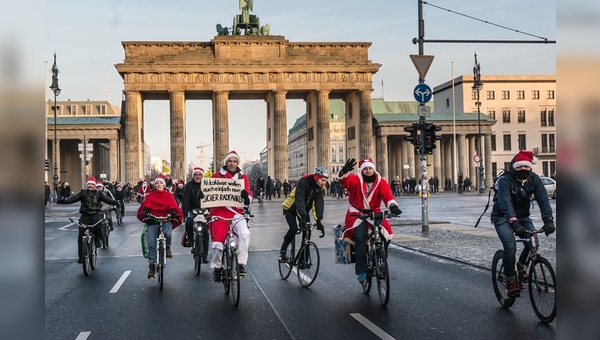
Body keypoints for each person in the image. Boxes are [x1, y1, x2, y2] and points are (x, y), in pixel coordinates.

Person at [491, 150, 555, 297]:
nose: (523, 170)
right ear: (514, 167)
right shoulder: (504, 181)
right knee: (510, 246)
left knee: (534, 244)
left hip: (523, 217)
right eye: (519, 168)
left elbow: (543, 199)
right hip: (501, 216)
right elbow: (505, 203)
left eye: (526, 168)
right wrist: (513, 223)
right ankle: (511, 280)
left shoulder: (535, 179)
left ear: (530, 168)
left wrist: (548, 220)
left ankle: (521, 266)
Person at [338, 158, 402, 283]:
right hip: (357, 213)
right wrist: (344, 171)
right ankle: (361, 270)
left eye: (370, 168)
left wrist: (393, 206)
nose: (368, 171)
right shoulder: (355, 179)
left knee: (386, 235)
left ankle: (379, 260)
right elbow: (344, 180)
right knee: (360, 237)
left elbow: (387, 194)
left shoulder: (380, 181)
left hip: (375, 213)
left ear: (374, 169)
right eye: (365, 169)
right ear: (362, 170)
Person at [209, 150, 252, 282]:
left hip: (236, 213)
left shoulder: (242, 177)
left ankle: (240, 264)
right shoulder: (216, 176)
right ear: (226, 162)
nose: (232, 164)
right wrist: (203, 196)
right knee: (217, 243)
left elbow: (249, 195)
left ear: (237, 163)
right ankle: (217, 267)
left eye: (234, 161)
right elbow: (208, 192)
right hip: (220, 213)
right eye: (230, 161)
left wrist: (246, 197)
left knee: (245, 235)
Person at [57, 176, 118, 264]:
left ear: (94, 185)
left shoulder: (99, 193)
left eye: (92, 184)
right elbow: (73, 198)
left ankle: (97, 239)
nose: (90, 185)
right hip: (85, 215)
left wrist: (115, 202)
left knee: (98, 224)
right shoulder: (83, 193)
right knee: (81, 236)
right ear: (87, 185)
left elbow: (107, 199)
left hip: (96, 214)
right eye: (88, 184)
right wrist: (64, 201)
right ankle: (81, 257)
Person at [137, 174, 183, 279]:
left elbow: (172, 205)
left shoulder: (168, 195)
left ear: (164, 185)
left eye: (160, 183)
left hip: (166, 219)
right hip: (153, 220)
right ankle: (152, 265)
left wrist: (173, 211)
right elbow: (147, 205)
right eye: (157, 183)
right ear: (154, 185)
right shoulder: (151, 195)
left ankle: (167, 247)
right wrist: (145, 211)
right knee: (152, 244)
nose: (158, 185)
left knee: (167, 233)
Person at [278, 168, 327, 262]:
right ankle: (283, 251)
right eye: (323, 180)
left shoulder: (318, 189)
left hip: (303, 210)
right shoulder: (303, 182)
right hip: (291, 208)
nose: (324, 183)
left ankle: (302, 259)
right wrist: (303, 218)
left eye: (325, 181)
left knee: (307, 233)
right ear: (316, 178)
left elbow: (318, 203)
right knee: (293, 229)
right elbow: (299, 200)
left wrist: (319, 220)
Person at [181, 167, 209, 264]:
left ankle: (205, 255)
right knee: (188, 222)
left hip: (204, 210)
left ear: (202, 176)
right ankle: (190, 239)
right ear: (193, 176)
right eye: (196, 175)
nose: (197, 176)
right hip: (192, 209)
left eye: (199, 175)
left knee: (205, 232)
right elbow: (185, 199)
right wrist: (185, 212)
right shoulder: (188, 186)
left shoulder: (207, 185)